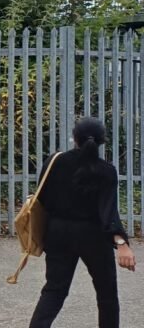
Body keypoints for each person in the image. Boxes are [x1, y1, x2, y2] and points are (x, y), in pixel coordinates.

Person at [29, 118, 136, 327]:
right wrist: (121, 244)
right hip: (93, 236)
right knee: (107, 295)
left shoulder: (54, 162)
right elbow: (108, 211)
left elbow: (42, 198)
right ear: (102, 141)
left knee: (54, 290)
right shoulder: (106, 171)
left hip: (58, 232)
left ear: (74, 138)